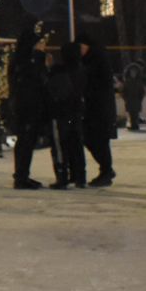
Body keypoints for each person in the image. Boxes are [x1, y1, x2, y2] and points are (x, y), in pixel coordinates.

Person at [7, 27, 53, 190]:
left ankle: (22, 175)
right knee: (26, 141)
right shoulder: (27, 60)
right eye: (40, 43)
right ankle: (21, 177)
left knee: (25, 141)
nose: (43, 46)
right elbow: (36, 80)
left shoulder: (20, 58)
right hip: (27, 106)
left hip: (24, 105)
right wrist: (40, 59)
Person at [73, 31, 118, 186]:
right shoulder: (88, 61)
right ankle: (106, 169)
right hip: (93, 109)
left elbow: (98, 85)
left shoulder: (97, 61)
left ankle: (106, 170)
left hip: (99, 110)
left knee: (99, 141)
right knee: (92, 139)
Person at [44, 42, 87, 190]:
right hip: (75, 112)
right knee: (76, 144)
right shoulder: (81, 70)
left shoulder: (59, 72)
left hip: (60, 113)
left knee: (60, 145)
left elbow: (54, 92)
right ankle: (80, 176)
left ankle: (62, 176)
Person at [120, 59, 146, 132]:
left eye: (135, 72)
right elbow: (123, 91)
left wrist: (140, 98)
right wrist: (125, 98)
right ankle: (133, 124)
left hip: (136, 99)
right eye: (132, 72)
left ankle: (135, 124)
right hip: (129, 99)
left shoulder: (139, 82)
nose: (133, 73)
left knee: (135, 113)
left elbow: (141, 92)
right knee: (131, 112)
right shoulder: (127, 82)